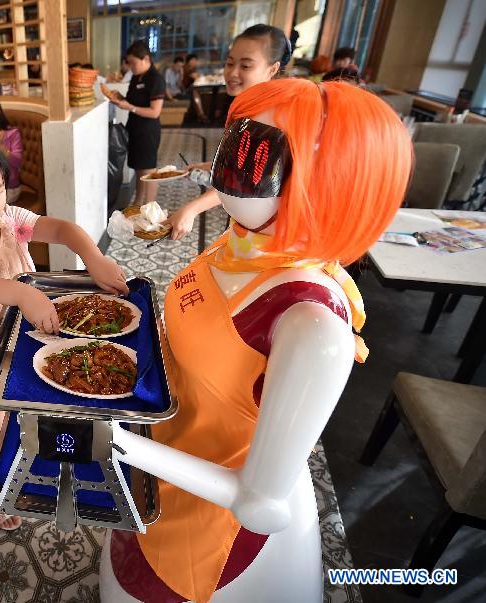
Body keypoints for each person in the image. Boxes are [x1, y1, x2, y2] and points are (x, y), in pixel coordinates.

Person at [102, 79, 413, 602]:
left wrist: (108, 441)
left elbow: (259, 503)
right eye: (233, 141)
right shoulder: (239, 245)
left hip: (215, 524)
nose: (227, 164)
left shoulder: (310, 325)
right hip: (157, 453)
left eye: (252, 154)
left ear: (322, 182)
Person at [0, 135, 129, 531]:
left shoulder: (10, 219)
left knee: (24, 405)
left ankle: (25, 463)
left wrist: (95, 258)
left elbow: (65, 230)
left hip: (19, 331)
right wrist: (20, 292)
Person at [164, 24, 291, 239]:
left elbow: (247, 181)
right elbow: (239, 166)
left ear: (272, 69)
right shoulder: (248, 109)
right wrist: (208, 167)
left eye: (246, 66)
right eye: (230, 62)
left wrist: (191, 209)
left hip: (270, 236)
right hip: (246, 226)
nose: (232, 72)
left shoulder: (274, 120)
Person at [107, 40, 165, 207]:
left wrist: (130, 107)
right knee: (139, 169)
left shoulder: (155, 79)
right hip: (134, 129)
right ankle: (139, 202)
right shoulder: (136, 77)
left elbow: (155, 112)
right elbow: (133, 102)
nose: (130, 66)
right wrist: (120, 99)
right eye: (129, 63)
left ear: (146, 59)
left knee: (149, 171)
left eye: (133, 62)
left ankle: (150, 206)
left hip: (148, 131)